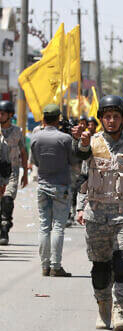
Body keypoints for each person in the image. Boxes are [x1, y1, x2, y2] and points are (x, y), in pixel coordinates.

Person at [75, 95, 123, 331]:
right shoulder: (92, 142)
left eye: (116, 116)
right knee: (100, 267)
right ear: (101, 119)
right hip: (96, 215)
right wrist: (79, 208)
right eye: (107, 116)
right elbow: (81, 170)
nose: (111, 120)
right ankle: (103, 305)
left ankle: (120, 310)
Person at [30, 104, 74, 277]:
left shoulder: (35, 137)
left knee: (44, 226)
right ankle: (56, 266)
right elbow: (73, 159)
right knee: (58, 227)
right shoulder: (65, 139)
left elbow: (35, 161)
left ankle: (45, 266)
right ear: (58, 119)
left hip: (42, 184)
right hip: (61, 186)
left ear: (43, 119)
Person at [0, 100, 28, 245]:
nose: (0, 116)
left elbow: (23, 152)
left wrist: (25, 173)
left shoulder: (17, 132)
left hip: (12, 171)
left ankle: (5, 228)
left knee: (8, 199)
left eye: (2, 113)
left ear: (10, 115)